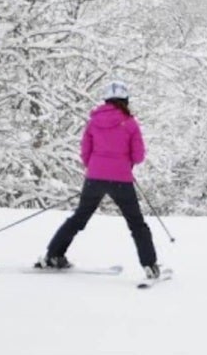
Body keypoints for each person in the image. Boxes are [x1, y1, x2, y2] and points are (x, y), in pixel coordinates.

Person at [36, 80, 161, 280]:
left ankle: (54, 255)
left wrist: (96, 169)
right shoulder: (130, 124)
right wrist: (123, 165)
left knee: (78, 218)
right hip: (121, 179)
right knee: (137, 224)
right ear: (125, 100)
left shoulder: (93, 122)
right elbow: (138, 156)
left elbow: (85, 153)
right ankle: (149, 265)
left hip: (94, 178)